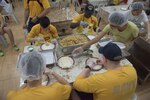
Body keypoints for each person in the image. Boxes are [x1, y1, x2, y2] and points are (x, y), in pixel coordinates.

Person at [73, 42, 137, 100]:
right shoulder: (132, 69)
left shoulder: (99, 79)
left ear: (105, 59)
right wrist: (104, 63)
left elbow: (76, 84)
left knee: (75, 90)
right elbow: (116, 68)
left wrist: (88, 67)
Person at [7, 51, 72, 100]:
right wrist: (52, 72)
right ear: (43, 70)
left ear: (23, 71)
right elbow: (68, 86)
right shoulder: (56, 90)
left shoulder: (12, 96)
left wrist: (27, 80)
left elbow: (19, 91)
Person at [72, 12, 139, 56]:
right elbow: (97, 38)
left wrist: (128, 45)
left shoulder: (133, 28)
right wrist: (82, 48)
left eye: (113, 26)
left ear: (120, 24)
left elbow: (136, 39)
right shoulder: (110, 25)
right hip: (115, 42)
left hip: (126, 45)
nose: (110, 26)